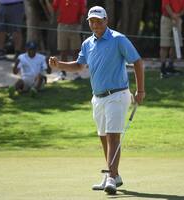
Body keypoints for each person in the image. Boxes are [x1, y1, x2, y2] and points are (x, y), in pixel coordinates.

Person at [49, 6, 145, 195]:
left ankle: (110, 176)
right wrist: (59, 65)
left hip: (117, 94)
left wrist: (140, 89)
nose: (95, 24)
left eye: (98, 21)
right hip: (98, 97)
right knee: (103, 137)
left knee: (112, 136)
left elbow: (137, 61)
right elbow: (79, 66)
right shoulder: (87, 43)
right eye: (92, 21)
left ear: (106, 21)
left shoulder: (118, 39)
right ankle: (114, 175)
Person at [49, 0, 86, 80]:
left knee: (75, 51)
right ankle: (63, 73)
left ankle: (76, 73)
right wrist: (54, 20)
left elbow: (82, 12)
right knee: (63, 51)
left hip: (75, 26)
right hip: (62, 25)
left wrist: (80, 24)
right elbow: (54, 8)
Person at [159, 0, 184, 78]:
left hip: (177, 20)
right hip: (166, 18)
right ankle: (163, 68)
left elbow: (183, 9)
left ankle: (170, 67)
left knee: (175, 45)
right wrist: (173, 15)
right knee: (164, 45)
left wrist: (177, 16)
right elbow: (166, 4)